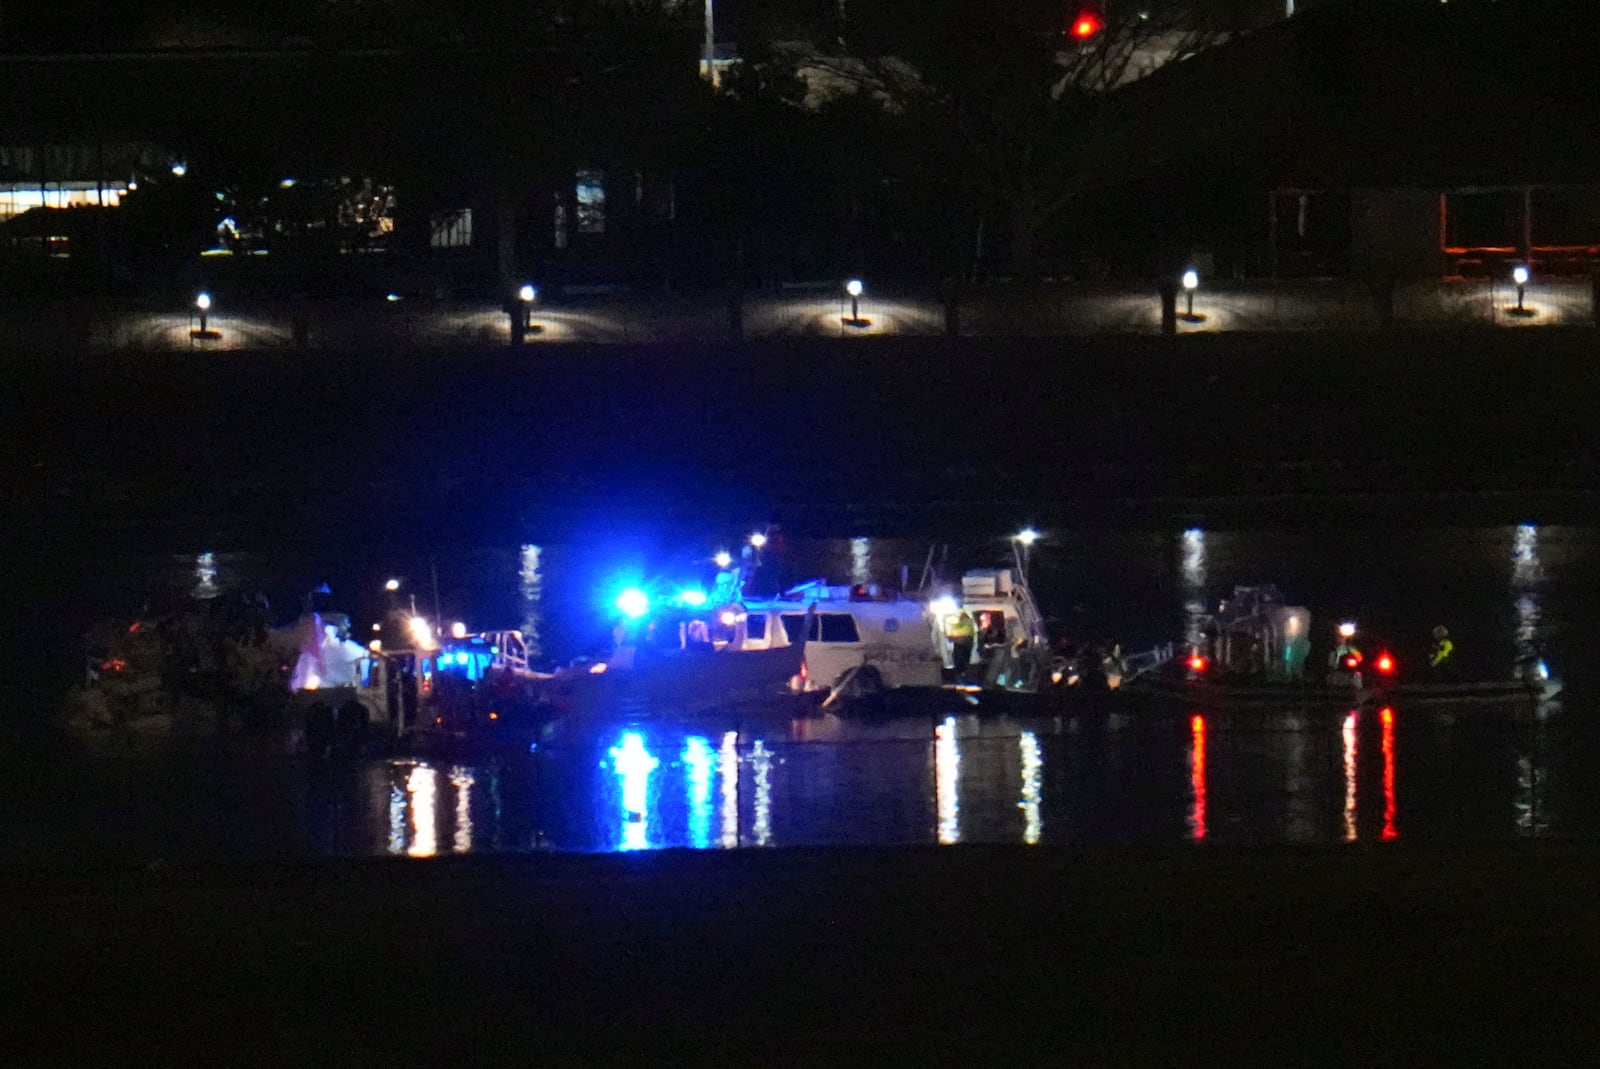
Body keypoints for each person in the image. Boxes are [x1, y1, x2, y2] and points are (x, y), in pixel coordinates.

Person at [946, 609, 977, 675]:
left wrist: (953, 638)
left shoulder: (964, 622)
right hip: (964, 644)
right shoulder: (968, 622)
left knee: (960, 661)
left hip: (962, 644)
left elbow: (952, 636)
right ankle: (963, 674)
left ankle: (961, 674)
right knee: (964, 661)